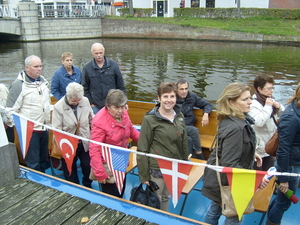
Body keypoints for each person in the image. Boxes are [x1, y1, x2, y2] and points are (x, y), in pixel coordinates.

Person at [202, 83, 262, 225]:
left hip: (217, 178)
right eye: (245, 99)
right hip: (228, 182)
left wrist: (251, 153)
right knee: (234, 217)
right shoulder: (237, 127)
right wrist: (256, 178)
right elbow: (230, 164)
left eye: (250, 98)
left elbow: (229, 149)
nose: (250, 102)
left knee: (215, 209)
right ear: (232, 102)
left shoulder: (230, 120)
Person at [137, 82, 188, 211]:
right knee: (156, 199)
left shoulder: (179, 117)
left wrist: (183, 165)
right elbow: (142, 148)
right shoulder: (150, 119)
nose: (169, 100)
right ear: (159, 98)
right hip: (157, 168)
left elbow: (183, 142)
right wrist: (144, 176)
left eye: (172, 96)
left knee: (166, 197)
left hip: (173, 167)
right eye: (165, 96)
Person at [262, 83, 300, 225]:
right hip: (289, 167)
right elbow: (283, 150)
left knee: (281, 201)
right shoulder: (291, 117)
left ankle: (270, 218)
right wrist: (283, 178)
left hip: (294, 163)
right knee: (283, 203)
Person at [89, 89, 139, 197]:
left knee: (121, 190)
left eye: (122, 107)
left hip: (121, 160)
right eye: (116, 107)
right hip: (107, 164)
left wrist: (145, 140)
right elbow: (94, 149)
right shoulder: (99, 122)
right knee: (112, 196)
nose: (120, 111)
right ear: (108, 106)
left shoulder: (124, 113)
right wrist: (100, 173)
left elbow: (131, 130)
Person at [6, 55, 50, 172]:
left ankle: (44, 182)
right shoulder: (18, 85)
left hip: (44, 127)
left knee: (43, 160)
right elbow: (9, 110)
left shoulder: (43, 82)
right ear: (27, 68)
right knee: (33, 162)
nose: (39, 69)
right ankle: (36, 184)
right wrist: (20, 127)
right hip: (30, 131)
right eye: (36, 66)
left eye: (40, 66)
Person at [52, 82, 94, 188]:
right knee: (70, 169)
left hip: (84, 140)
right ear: (68, 96)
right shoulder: (58, 107)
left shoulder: (85, 101)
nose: (77, 103)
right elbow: (56, 130)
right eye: (74, 101)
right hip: (68, 144)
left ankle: (87, 185)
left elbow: (91, 118)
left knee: (87, 166)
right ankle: (73, 187)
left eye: (79, 100)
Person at [249, 74, 285, 171]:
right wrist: (268, 106)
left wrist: (279, 108)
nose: (271, 91)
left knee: (269, 174)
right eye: (268, 89)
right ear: (259, 89)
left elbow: (284, 116)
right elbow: (258, 122)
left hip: (269, 145)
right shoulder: (253, 104)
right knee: (258, 175)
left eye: (272, 88)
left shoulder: (269, 100)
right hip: (258, 148)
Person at [82, 43, 126, 114]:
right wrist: (90, 103)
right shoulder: (87, 68)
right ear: (92, 53)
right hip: (95, 105)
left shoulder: (113, 65)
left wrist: (124, 102)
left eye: (100, 53)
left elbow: (120, 85)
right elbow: (85, 87)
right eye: (96, 53)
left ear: (104, 51)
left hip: (112, 105)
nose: (99, 55)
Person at [176, 78, 212, 159]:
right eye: (181, 89)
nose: (184, 91)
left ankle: (188, 159)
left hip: (188, 126)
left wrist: (206, 114)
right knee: (193, 130)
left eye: (186, 88)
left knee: (189, 140)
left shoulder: (192, 97)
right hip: (177, 126)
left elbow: (207, 105)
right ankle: (200, 156)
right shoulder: (173, 99)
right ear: (176, 90)